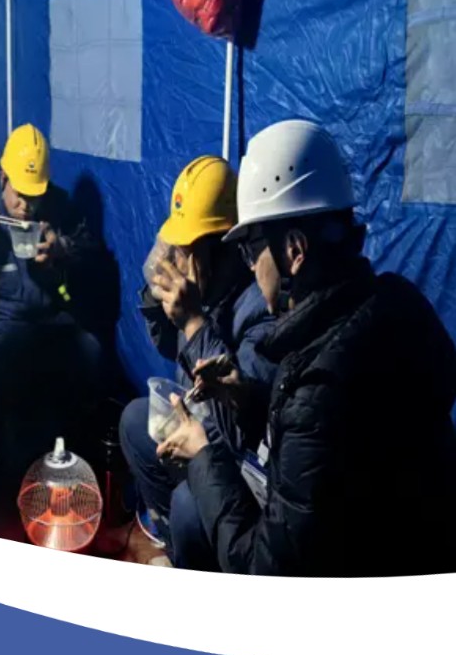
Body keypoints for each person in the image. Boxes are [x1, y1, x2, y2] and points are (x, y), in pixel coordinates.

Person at [157, 119, 456, 576]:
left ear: (294, 250)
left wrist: (202, 456)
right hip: (416, 550)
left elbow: (265, 568)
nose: (250, 267)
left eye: (252, 249)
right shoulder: (393, 303)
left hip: (360, 586)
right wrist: (246, 397)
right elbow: (324, 450)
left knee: (189, 507)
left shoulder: (322, 380)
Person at [119, 155, 276, 568]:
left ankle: (203, 565)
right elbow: (169, 347)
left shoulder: (259, 309)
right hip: (197, 423)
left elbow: (240, 430)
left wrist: (192, 322)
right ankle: (175, 545)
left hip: (236, 460)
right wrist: (156, 294)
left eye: (187, 248)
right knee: (135, 420)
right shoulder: (205, 290)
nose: (178, 257)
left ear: (221, 247)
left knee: (189, 504)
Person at [0, 123, 105, 470]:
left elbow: (91, 251)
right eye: (19, 194)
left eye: (34, 195)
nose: (26, 205)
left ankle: (73, 452)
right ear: (4, 177)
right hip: (5, 320)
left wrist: (62, 249)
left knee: (91, 352)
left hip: (51, 316)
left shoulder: (58, 206)